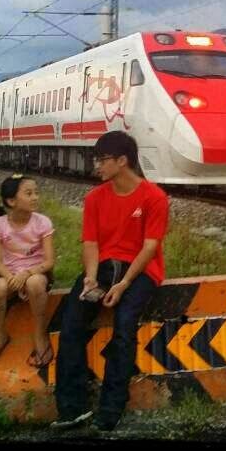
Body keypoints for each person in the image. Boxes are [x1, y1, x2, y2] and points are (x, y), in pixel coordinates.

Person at [51, 131, 168, 432]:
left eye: (102, 160)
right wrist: (90, 278)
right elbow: (90, 243)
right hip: (102, 268)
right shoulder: (94, 198)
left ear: (122, 161)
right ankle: (72, 408)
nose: (97, 167)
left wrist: (124, 283)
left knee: (125, 327)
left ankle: (111, 408)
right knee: (72, 324)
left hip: (140, 271)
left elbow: (150, 247)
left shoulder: (154, 197)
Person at [0, 173, 56, 370]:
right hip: (9, 273)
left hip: (36, 272)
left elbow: (48, 261)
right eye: (28, 193)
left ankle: (39, 333)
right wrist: (10, 277)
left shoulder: (42, 222)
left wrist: (27, 273)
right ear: (11, 201)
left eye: (36, 193)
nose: (35, 197)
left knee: (35, 284)